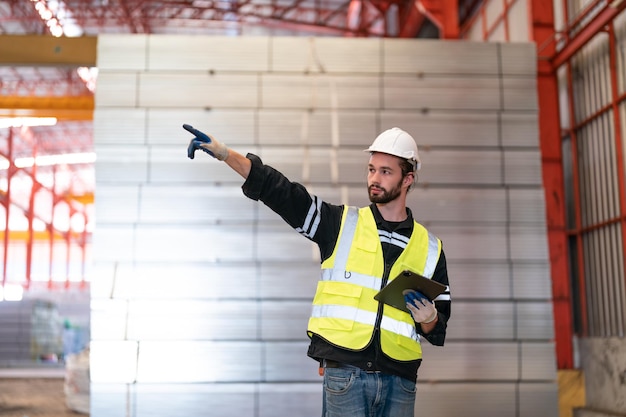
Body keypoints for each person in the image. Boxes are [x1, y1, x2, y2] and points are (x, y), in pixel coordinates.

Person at [185, 124, 451, 417]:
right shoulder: (339, 225)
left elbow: (437, 331)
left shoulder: (430, 249)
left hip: (400, 382)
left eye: (385, 171)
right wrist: (226, 155)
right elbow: (283, 194)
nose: (374, 178)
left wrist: (430, 317)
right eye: (371, 169)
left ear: (408, 179)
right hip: (346, 376)